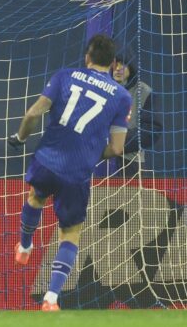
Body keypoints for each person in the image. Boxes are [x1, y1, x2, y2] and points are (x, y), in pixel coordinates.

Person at [7, 34, 131, 311]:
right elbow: (117, 149)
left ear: (87, 57)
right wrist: (89, 151)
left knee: (35, 198)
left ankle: (25, 247)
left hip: (47, 160)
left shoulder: (65, 76)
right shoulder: (122, 96)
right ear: (112, 63)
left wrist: (20, 136)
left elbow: (32, 114)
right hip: (77, 174)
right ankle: (51, 298)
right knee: (71, 232)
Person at [112, 53, 162, 177]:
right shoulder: (101, 89)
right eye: (114, 64)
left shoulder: (144, 92)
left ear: (131, 67)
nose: (118, 68)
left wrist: (117, 142)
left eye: (122, 64)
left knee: (130, 196)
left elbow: (151, 130)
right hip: (99, 161)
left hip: (131, 163)